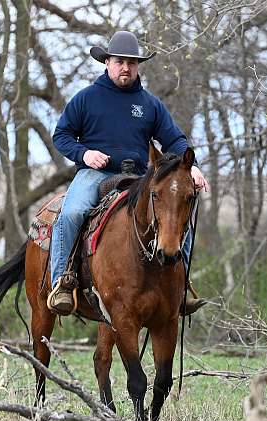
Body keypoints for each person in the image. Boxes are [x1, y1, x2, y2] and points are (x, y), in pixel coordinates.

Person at [48, 30, 209, 315]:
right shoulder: (86, 99)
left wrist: (193, 167)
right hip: (94, 174)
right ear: (107, 62)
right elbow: (62, 135)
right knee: (71, 213)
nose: (126, 67)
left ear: (138, 67)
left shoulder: (150, 105)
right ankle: (62, 281)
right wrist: (84, 153)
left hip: (137, 178)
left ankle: (180, 287)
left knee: (179, 217)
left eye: (132, 63)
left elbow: (174, 140)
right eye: (120, 61)